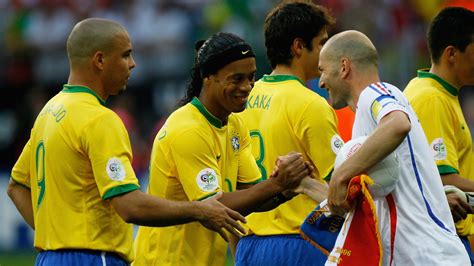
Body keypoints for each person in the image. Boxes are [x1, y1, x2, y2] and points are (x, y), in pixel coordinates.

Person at [6, 18, 250, 266]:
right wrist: (199, 210)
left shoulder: (49, 112)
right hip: (94, 257)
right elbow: (130, 206)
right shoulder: (99, 120)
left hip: (49, 258)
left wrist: (56, 239)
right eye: (125, 56)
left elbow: (16, 186)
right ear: (100, 60)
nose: (132, 64)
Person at [133, 32, 310, 266]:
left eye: (251, 77)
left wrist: (287, 186)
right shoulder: (188, 129)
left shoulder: (235, 124)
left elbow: (252, 195)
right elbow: (215, 207)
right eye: (236, 79)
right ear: (208, 77)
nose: (247, 87)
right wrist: (276, 184)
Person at [319, 30, 469, 265]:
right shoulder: (365, 121)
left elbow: (399, 123)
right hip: (417, 255)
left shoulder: (376, 92)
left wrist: (341, 174)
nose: (321, 81)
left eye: (323, 70)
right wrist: (305, 185)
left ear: (344, 67)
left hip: (428, 256)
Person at [234, 2, 340, 265]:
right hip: (299, 245)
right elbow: (340, 190)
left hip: (248, 245)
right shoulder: (311, 104)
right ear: (298, 47)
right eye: (322, 43)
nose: (326, 52)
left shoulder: (241, 101)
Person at [403, 7, 474, 261]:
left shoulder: (438, 92)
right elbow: (441, 181)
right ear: (452, 54)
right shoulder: (431, 98)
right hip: (440, 243)